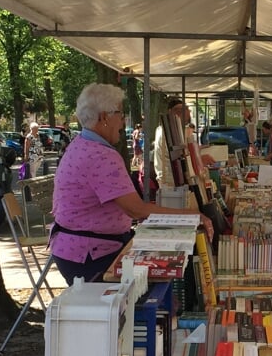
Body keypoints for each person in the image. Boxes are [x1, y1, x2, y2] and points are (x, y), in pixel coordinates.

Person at [50, 83, 213, 285]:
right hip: (91, 254)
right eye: (120, 113)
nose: (122, 121)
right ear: (103, 117)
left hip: (79, 249)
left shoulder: (81, 144)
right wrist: (192, 215)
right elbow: (136, 210)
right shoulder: (101, 155)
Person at [153, 97, 190, 188]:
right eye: (178, 111)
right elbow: (178, 154)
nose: (180, 115)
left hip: (172, 178)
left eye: (183, 111)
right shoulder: (167, 131)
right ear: (170, 112)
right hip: (169, 180)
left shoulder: (174, 130)